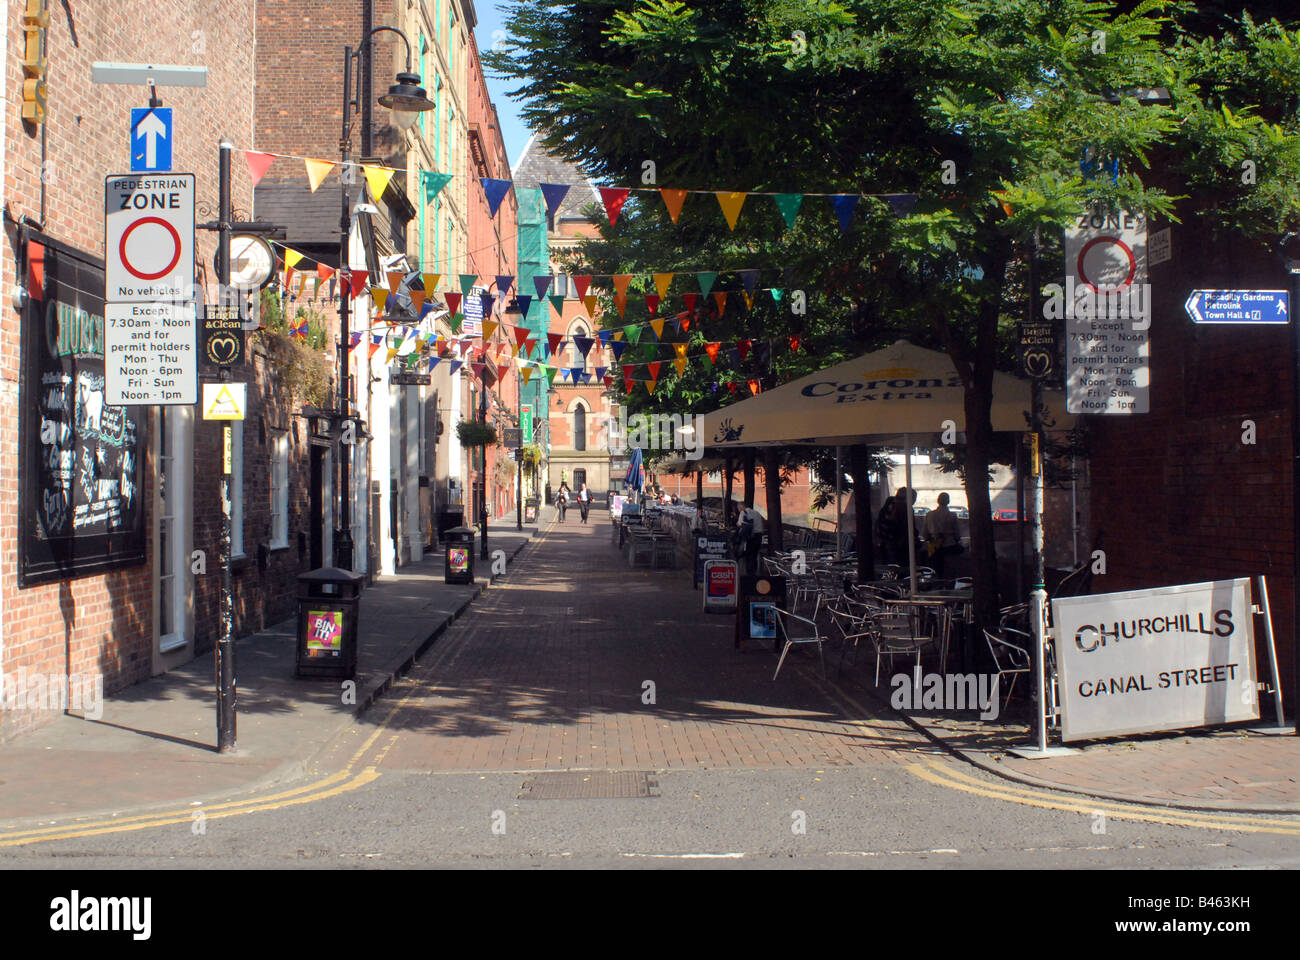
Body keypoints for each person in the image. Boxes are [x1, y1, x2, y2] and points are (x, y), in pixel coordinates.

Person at [922, 492, 964, 577]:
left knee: (935, 570)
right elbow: (957, 534)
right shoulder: (952, 515)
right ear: (948, 501)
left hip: (933, 545)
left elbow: (924, 533)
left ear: (938, 501)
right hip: (949, 545)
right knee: (950, 571)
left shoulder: (929, 514)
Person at [736, 503, 765, 575]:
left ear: (741, 507)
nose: (739, 511)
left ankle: (747, 573)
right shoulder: (757, 513)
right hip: (758, 536)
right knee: (754, 555)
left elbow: (740, 524)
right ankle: (754, 572)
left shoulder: (743, 512)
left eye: (738, 509)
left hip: (749, 537)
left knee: (747, 555)